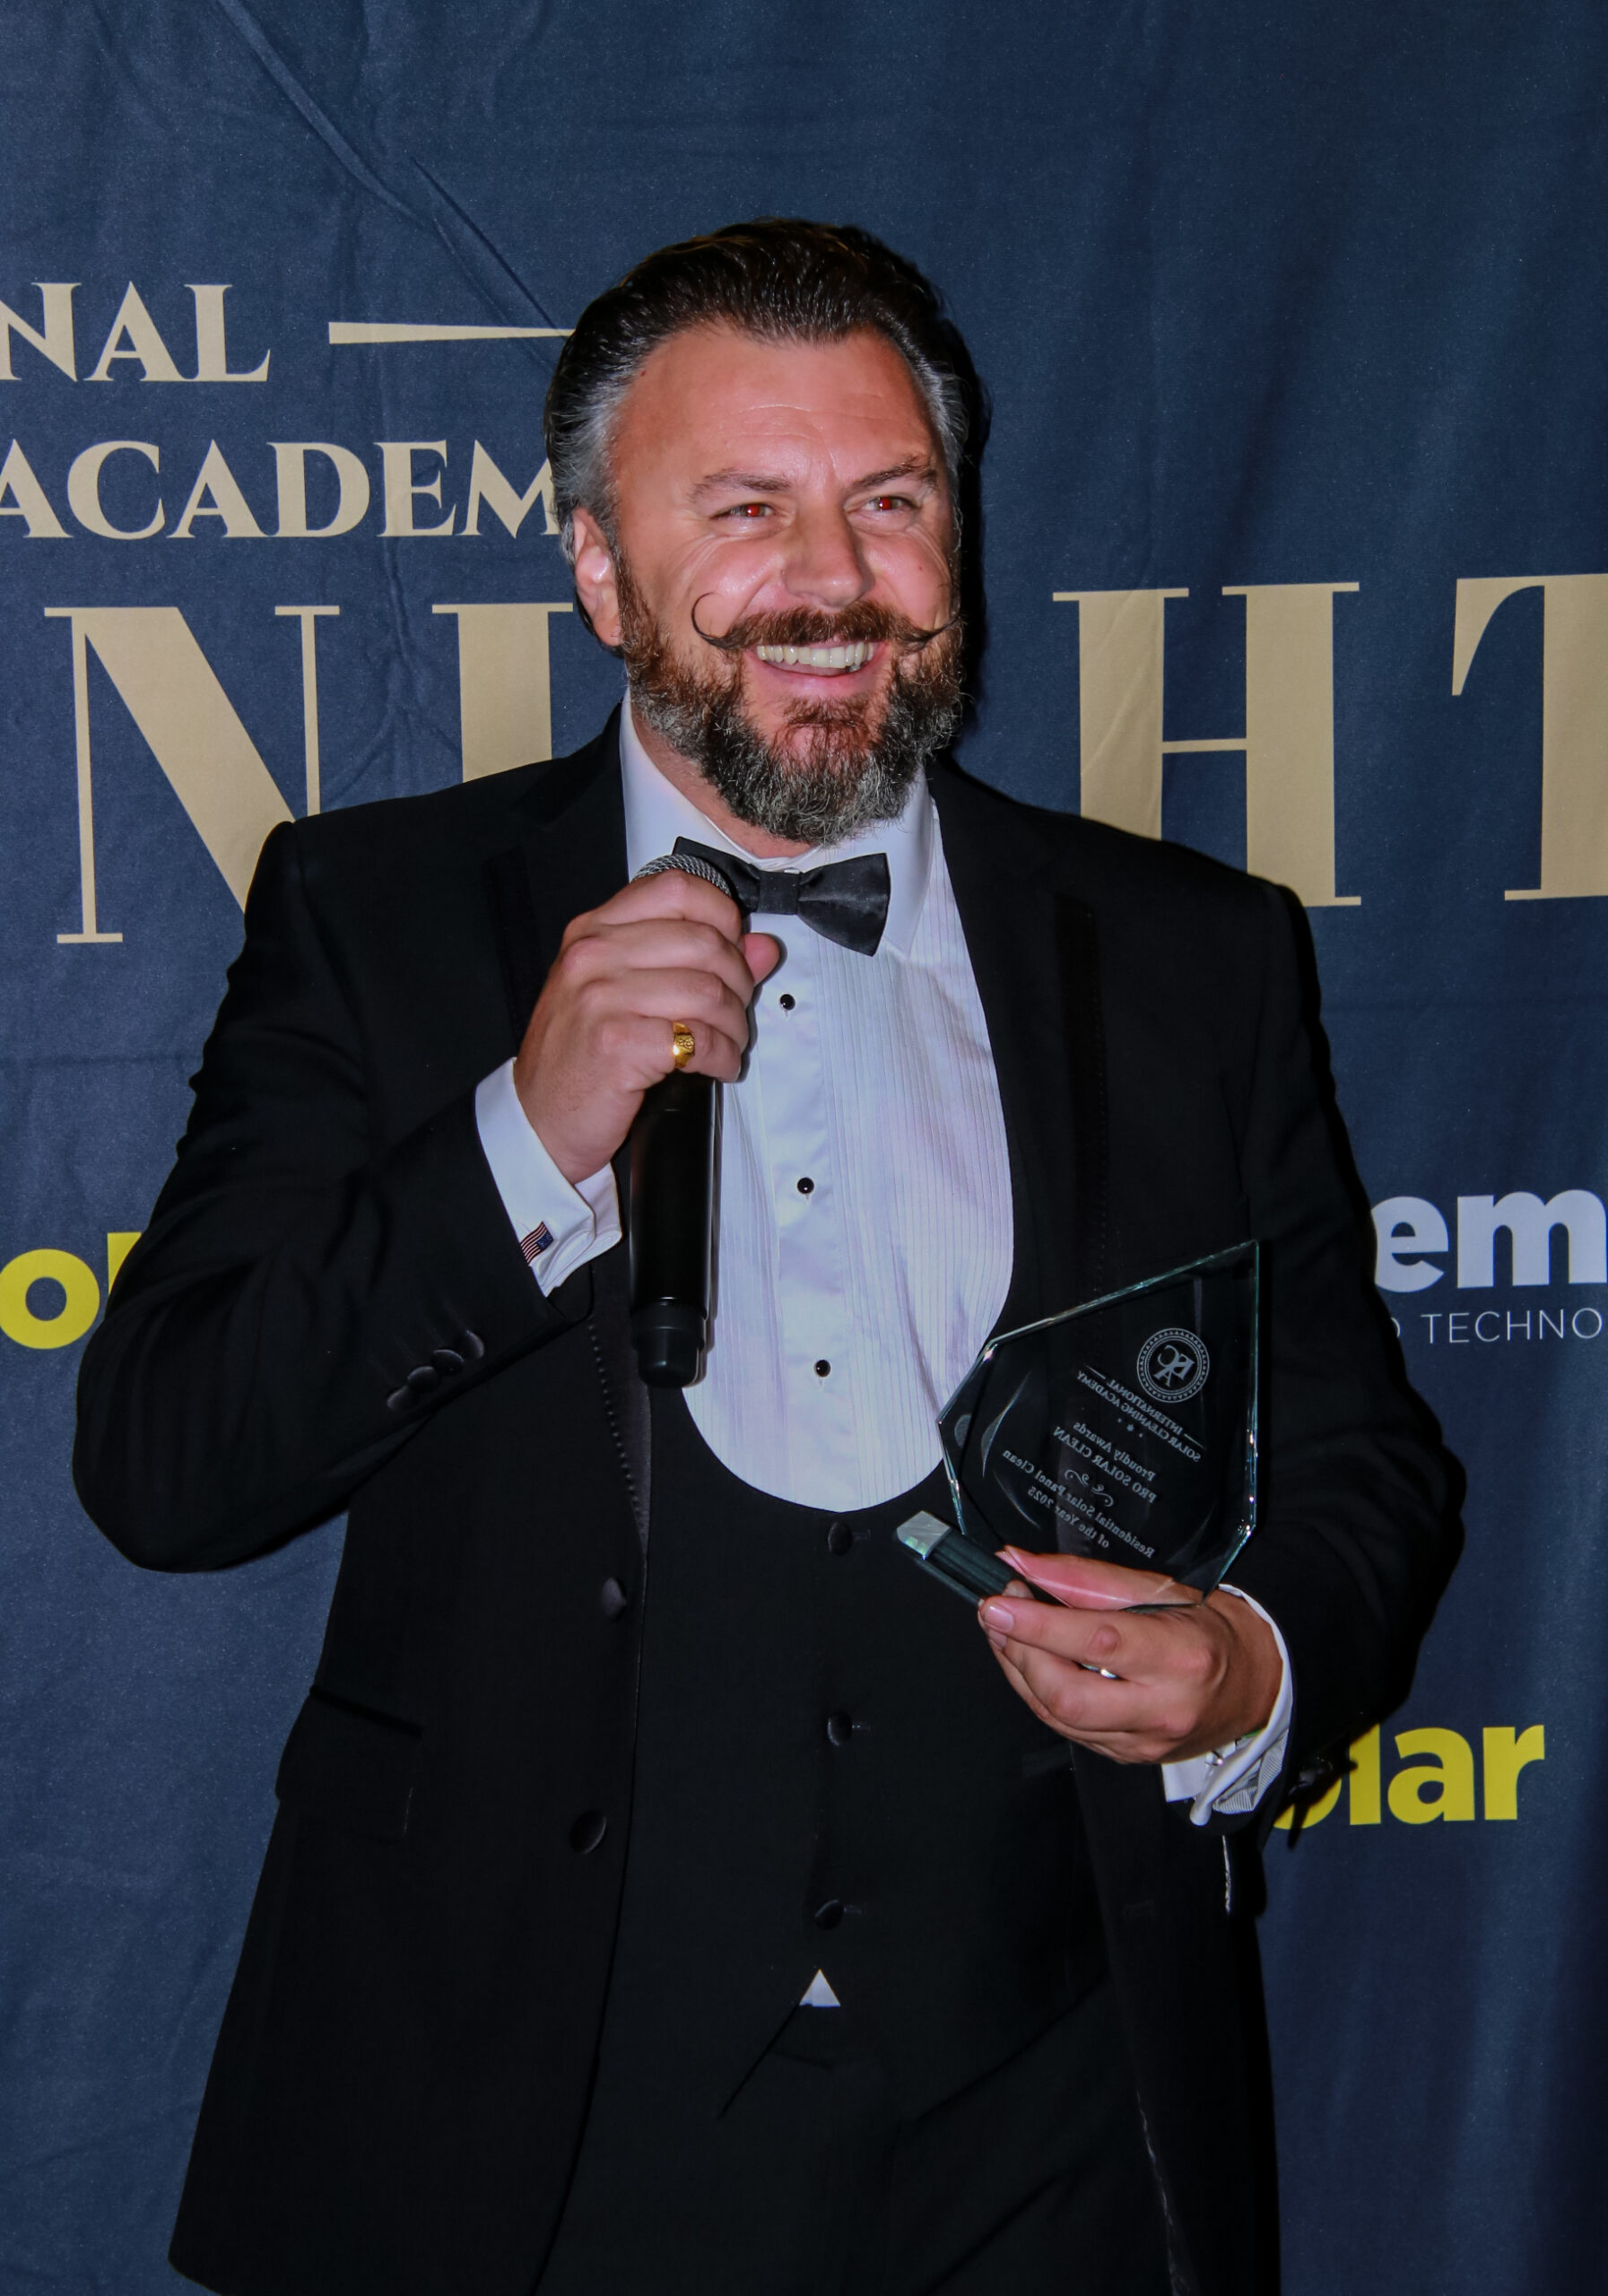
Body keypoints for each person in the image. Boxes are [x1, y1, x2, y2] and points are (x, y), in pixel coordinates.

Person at [74, 219, 1456, 2296]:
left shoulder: (1195, 956)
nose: (835, 577)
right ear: (603, 571)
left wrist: (1248, 1665)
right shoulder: (377, 919)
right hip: (518, 2143)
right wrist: (521, 1134)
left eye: (891, 501)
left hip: (1053, 2141)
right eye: (747, 509)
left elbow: (1367, 1469)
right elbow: (169, 1462)